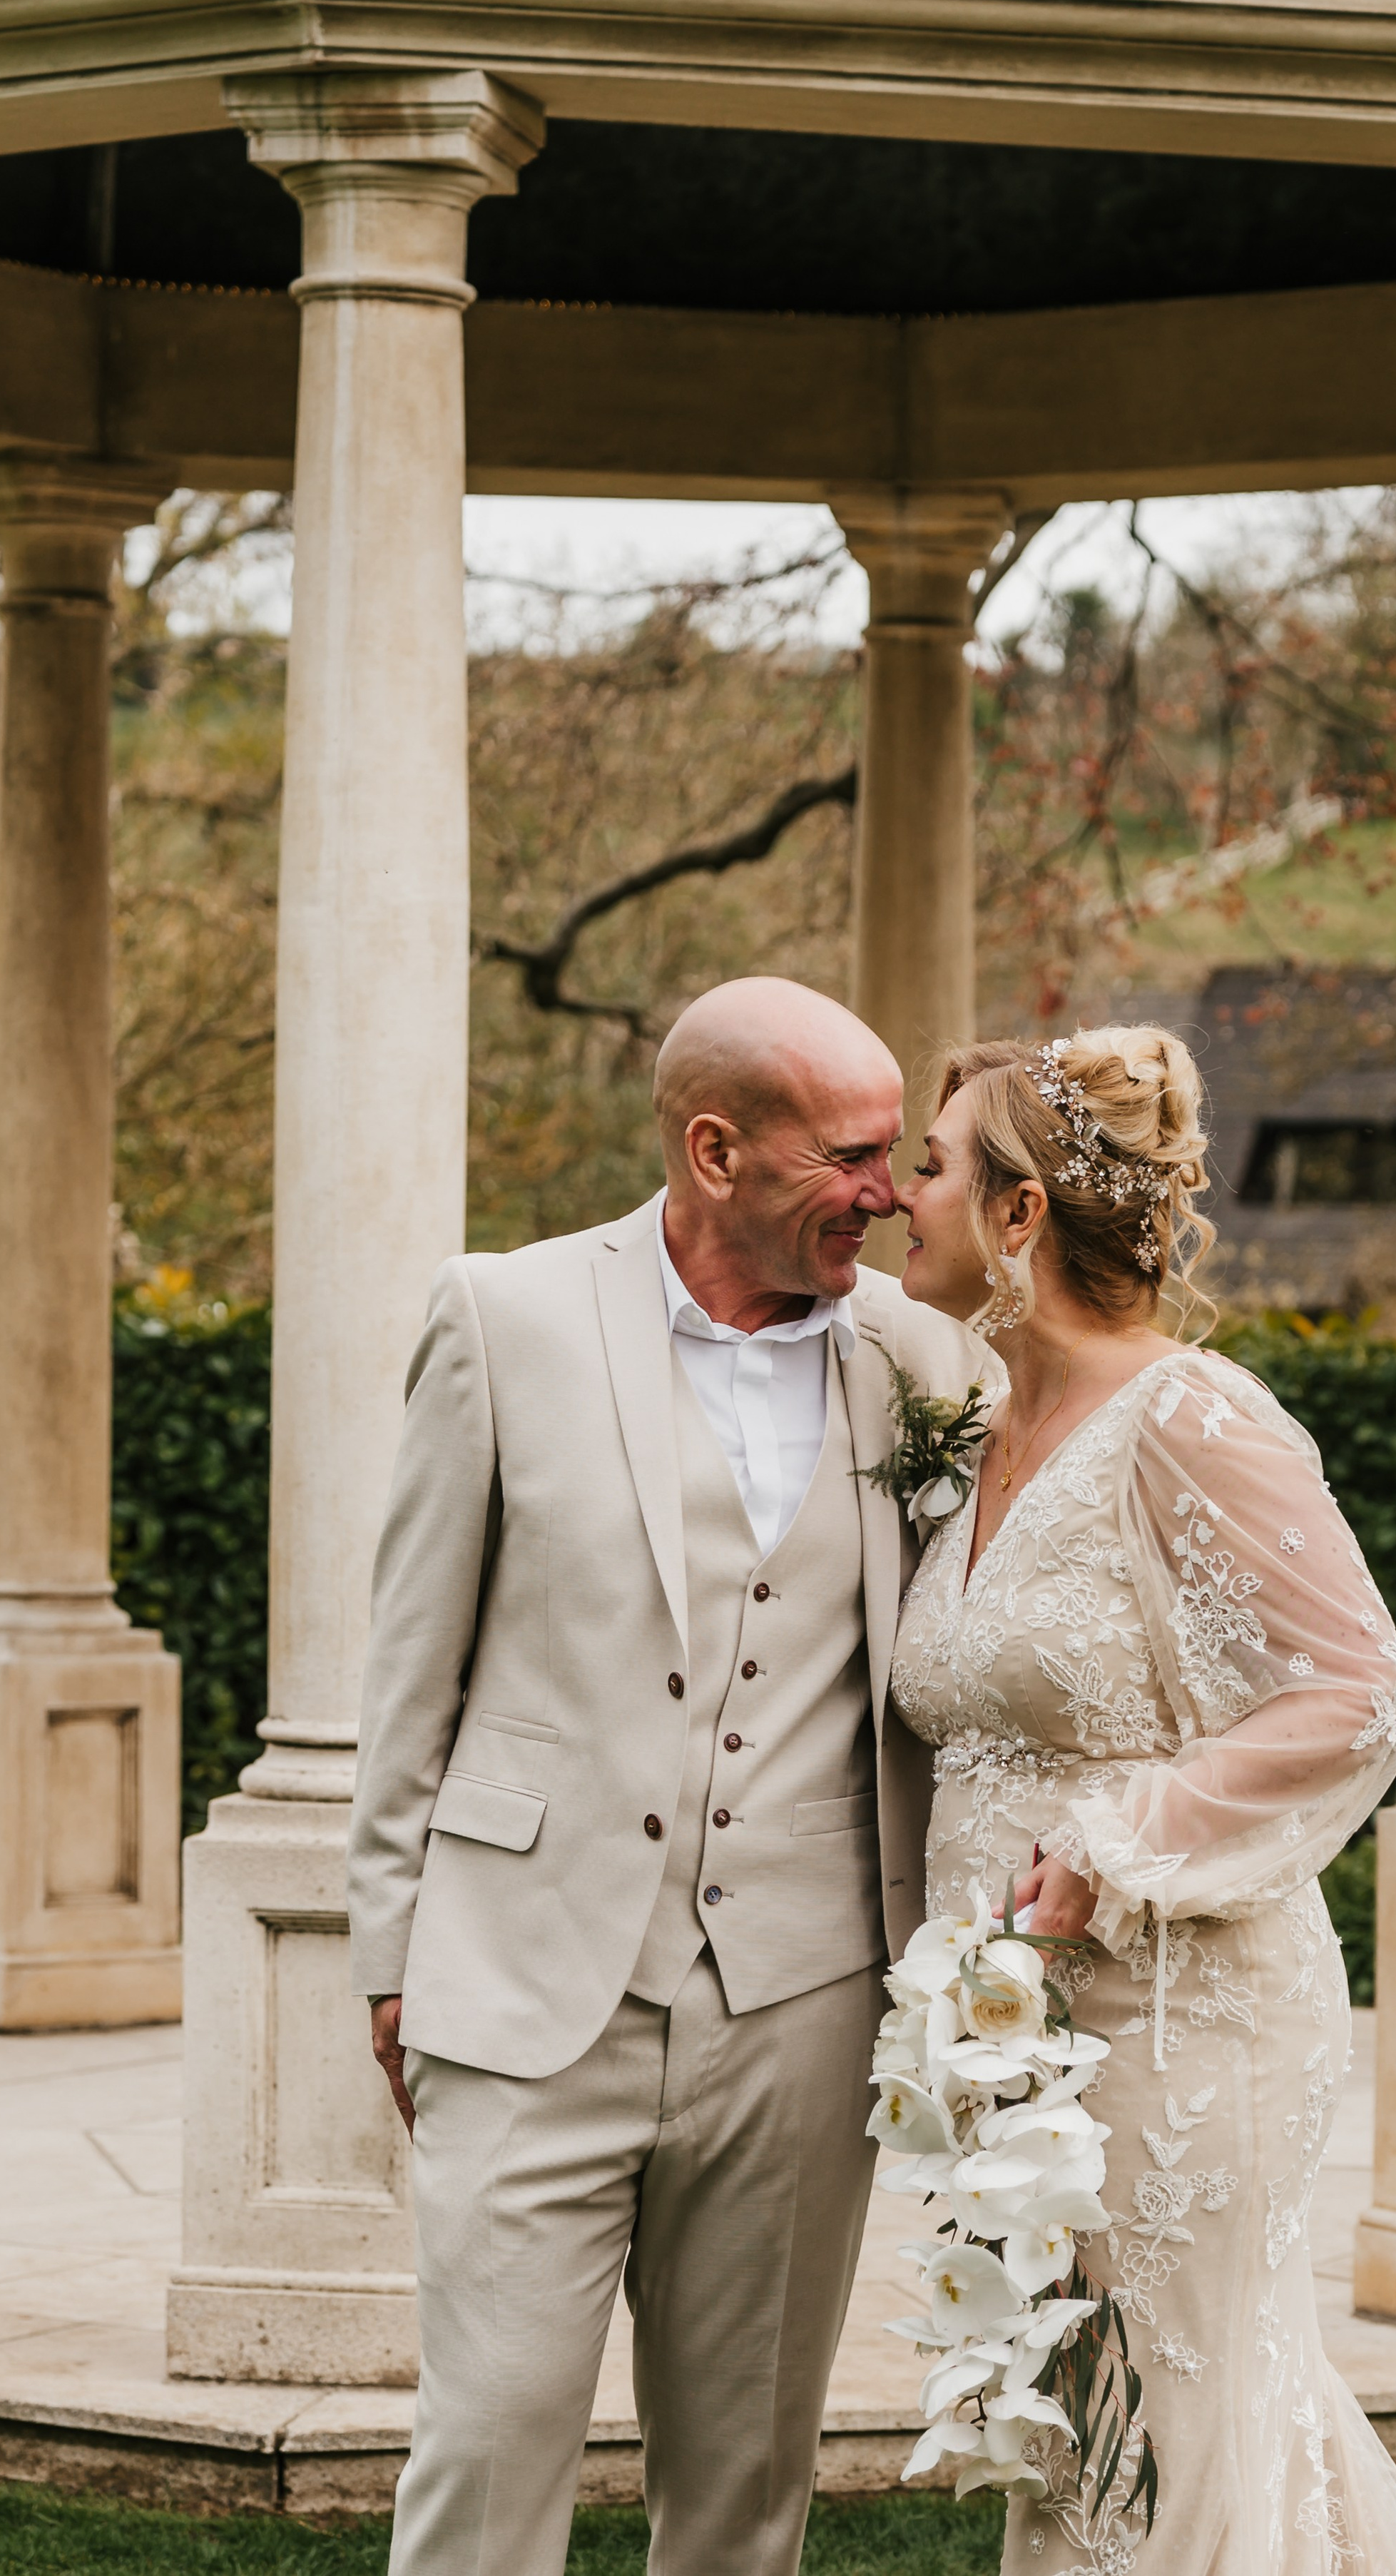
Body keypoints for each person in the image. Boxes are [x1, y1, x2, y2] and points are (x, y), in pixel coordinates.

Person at [348, 977, 977, 2576]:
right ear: (713, 1149)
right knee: (486, 2453)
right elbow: (411, 1660)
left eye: (899, 1152)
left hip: (799, 1998)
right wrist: (387, 1948)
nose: (887, 1193)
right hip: (523, 1978)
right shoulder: (505, 1316)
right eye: (848, 1155)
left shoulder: (923, 1364)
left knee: (745, 2485)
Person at [892, 1028, 1396, 2575]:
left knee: (1178, 2426)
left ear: (1017, 1216)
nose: (894, 1197)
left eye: (929, 1168)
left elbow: (1353, 1691)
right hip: (1008, 2036)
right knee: (1076, 2435)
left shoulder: (1192, 1418)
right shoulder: (971, 1434)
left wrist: (1113, 1844)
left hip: (1177, 2023)